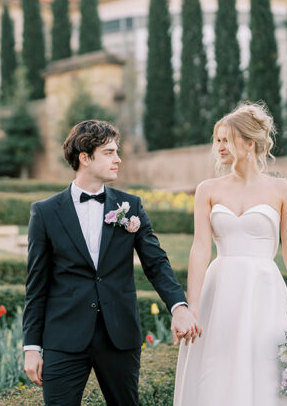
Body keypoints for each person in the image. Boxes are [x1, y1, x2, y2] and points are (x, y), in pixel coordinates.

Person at [23, 119, 200, 406]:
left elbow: (156, 263)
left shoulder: (131, 206)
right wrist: (31, 347)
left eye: (117, 152)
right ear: (85, 158)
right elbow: (36, 285)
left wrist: (179, 307)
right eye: (108, 152)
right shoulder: (45, 212)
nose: (118, 159)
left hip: (119, 335)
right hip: (64, 338)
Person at [173, 102, 287, 405]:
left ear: (249, 144)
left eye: (226, 139)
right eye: (217, 139)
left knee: (264, 367)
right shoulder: (208, 189)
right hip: (219, 289)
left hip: (264, 288)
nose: (219, 146)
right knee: (217, 365)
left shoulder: (283, 189)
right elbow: (200, 248)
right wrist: (192, 305)